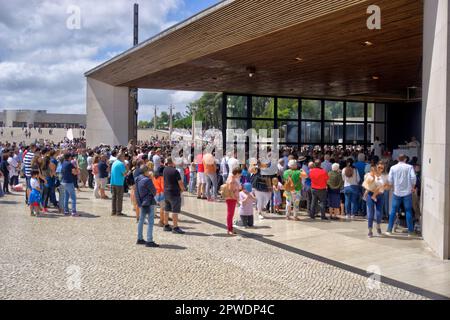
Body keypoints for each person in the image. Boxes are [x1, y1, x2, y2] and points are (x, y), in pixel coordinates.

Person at [386, 154, 417, 236]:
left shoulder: (393, 168)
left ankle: (389, 229)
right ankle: (410, 231)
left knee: (393, 211)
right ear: (405, 159)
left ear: (398, 159)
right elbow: (413, 178)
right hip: (407, 192)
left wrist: (392, 187)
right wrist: (413, 187)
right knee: (408, 211)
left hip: (396, 192)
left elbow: (389, 179)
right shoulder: (409, 167)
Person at [135, 165, 159, 248]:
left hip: (141, 202)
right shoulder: (147, 180)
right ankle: (149, 240)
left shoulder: (138, 178)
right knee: (150, 221)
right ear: (146, 171)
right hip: (149, 202)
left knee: (141, 220)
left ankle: (140, 238)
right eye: (148, 170)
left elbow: (136, 191)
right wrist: (151, 179)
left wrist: (139, 202)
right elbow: (154, 191)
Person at [364, 161, 390, 238]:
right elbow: (366, 185)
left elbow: (388, 187)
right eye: (379, 167)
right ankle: (370, 230)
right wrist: (366, 192)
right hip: (370, 195)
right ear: (376, 166)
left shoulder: (385, 176)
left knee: (379, 213)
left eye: (382, 167)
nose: (380, 168)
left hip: (380, 195)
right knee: (370, 213)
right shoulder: (369, 174)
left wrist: (385, 186)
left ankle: (378, 226)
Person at [163, 157, 185, 234]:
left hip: (166, 192)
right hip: (174, 193)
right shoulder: (175, 171)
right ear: (172, 162)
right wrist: (182, 189)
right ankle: (175, 227)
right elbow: (180, 182)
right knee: (175, 211)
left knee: (167, 209)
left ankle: (166, 225)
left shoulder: (165, 170)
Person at [223, 167, 242, 235]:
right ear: (237, 173)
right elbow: (230, 190)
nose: (240, 175)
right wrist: (235, 199)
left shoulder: (233, 178)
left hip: (232, 198)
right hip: (231, 199)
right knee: (230, 214)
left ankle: (230, 229)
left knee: (231, 214)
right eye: (240, 174)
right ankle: (229, 230)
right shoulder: (231, 179)